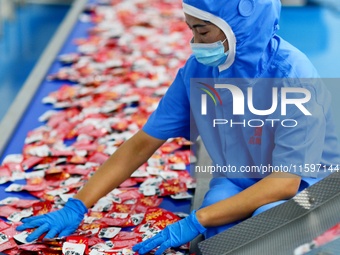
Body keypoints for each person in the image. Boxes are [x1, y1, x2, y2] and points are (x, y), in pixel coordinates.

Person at [17, 0, 340, 254]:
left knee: (267, 233)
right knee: (218, 239)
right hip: (240, 177)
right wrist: (77, 205)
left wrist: (194, 220)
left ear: (243, 28)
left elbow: (284, 184)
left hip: (306, 184)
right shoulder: (199, 71)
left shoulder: (293, 78)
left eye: (202, 31)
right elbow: (143, 141)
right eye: (191, 30)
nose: (194, 42)